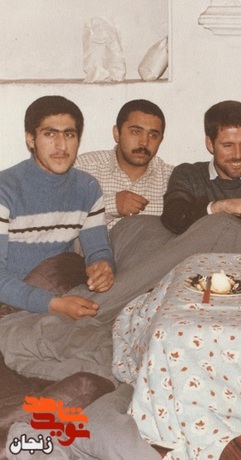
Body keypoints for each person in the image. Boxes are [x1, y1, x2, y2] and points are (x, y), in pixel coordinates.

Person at [0, 95, 114, 320]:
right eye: (50, 134)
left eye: (69, 134)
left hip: (63, 289)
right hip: (13, 299)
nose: (61, 146)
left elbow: (98, 250)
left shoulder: (87, 187)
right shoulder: (5, 190)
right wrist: (53, 305)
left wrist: (102, 268)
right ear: (31, 139)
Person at [160, 100, 241, 242]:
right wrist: (219, 207)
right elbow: (173, 217)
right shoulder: (188, 175)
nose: (238, 155)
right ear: (210, 144)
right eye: (228, 145)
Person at [74, 99, 173, 230]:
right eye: (135, 132)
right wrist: (112, 205)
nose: (144, 142)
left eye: (153, 135)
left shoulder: (171, 179)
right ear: (117, 133)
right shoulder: (85, 167)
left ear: (161, 140)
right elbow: (60, 214)